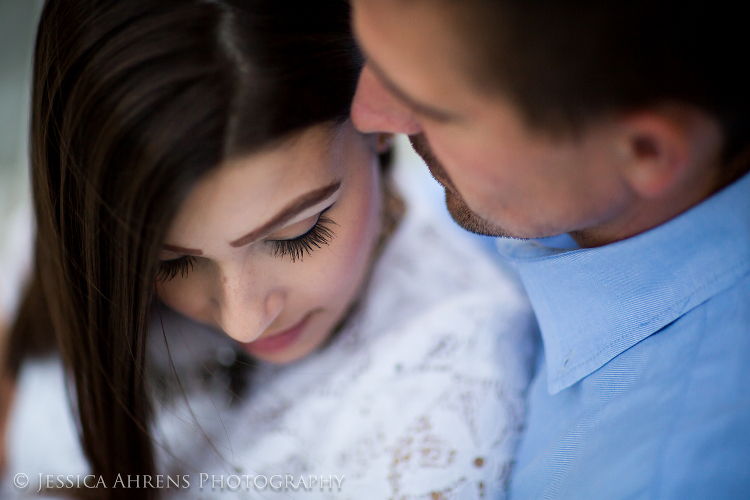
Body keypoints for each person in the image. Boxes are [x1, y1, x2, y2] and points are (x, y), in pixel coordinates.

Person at [0, 0, 536, 498]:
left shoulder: (450, 397)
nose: (244, 322)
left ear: (380, 119)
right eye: (174, 262)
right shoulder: (97, 227)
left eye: (296, 235)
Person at [349, 0, 750, 498]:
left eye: (431, 107)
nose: (365, 115)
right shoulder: (558, 188)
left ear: (646, 151)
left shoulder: (661, 477)